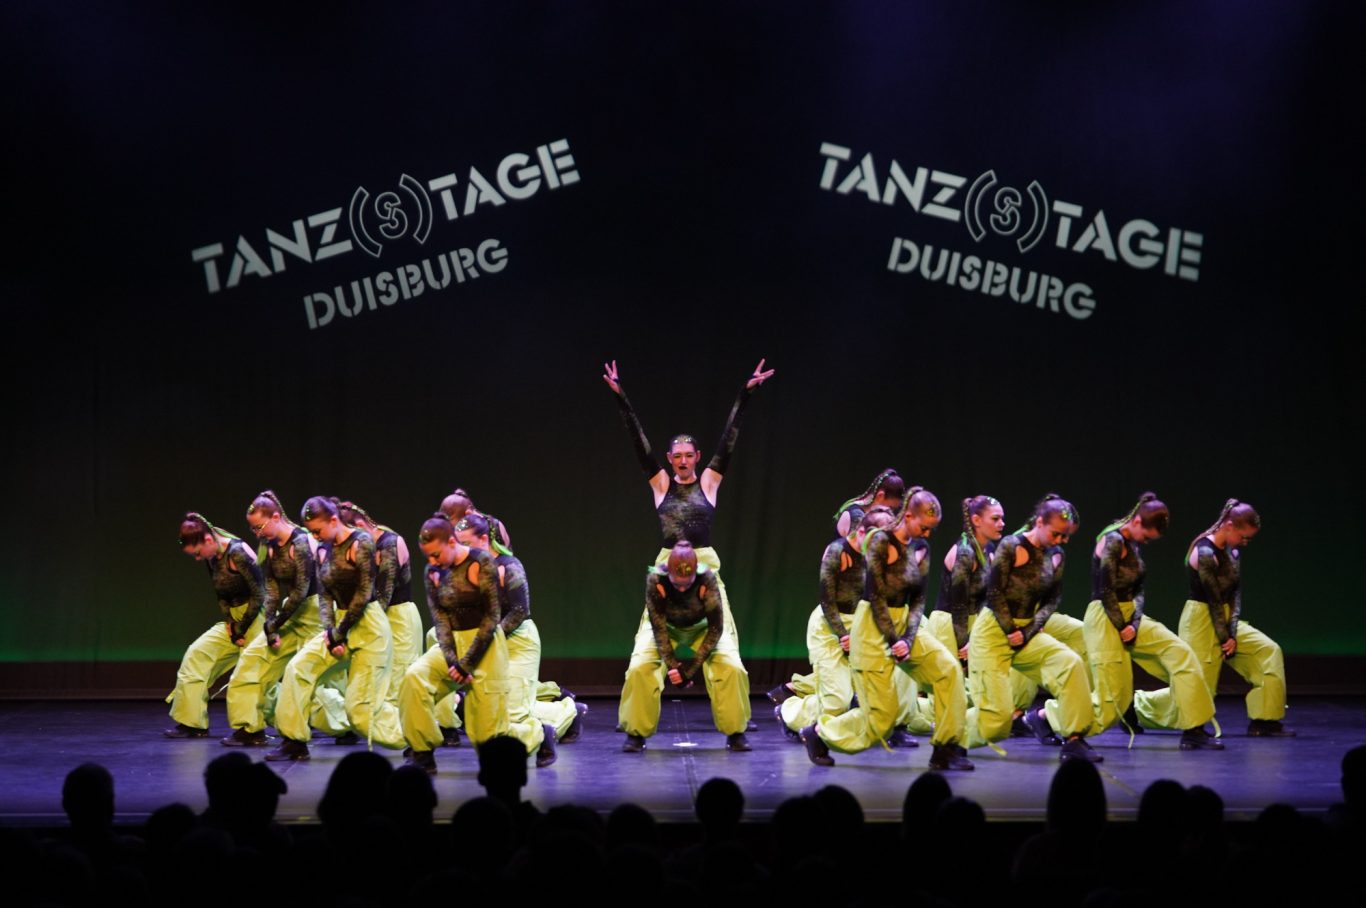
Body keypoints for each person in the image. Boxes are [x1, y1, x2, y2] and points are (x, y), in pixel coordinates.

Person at [603, 358, 773, 733]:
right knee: (644, 651)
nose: (682, 461)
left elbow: (729, 440)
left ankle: (738, 719)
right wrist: (621, 398)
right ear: (670, 460)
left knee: (728, 649)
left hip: (705, 570)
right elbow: (640, 446)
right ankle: (633, 724)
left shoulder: (709, 482)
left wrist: (745, 394)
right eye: (676, 456)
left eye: (688, 455)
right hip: (667, 570)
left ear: (697, 457)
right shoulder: (661, 485)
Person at [801, 488, 974, 770]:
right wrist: (895, 640)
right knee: (882, 718)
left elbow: (918, 598)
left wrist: (908, 636)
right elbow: (876, 596)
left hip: (904, 622)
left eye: (932, 529)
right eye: (924, 527)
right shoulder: (880, 541)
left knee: (948, 670)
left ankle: (946, 748)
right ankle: (820, 733)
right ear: (908, 516)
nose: (928, 534)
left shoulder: (921, 547)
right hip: (872, 625)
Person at [401, 515, 548, 773]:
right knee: (415, 678)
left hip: (487, 643)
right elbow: (440, 619)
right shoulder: (433, 571)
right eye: (427, 556)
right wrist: (452, 660)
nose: (432, 561)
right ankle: (422, 751)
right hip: (454, 643)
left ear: (451, 542)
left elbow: (492, 617)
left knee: (486, 736)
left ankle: (538, 733)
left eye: (436, 554)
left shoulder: (482, 562)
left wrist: (466, 663)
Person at [265, 497, 405, 761]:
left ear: (333, 520)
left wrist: (338, 633)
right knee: (298, 668)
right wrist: (331, 631)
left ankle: (416, 737)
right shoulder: (322, 548)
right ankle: (294, 741)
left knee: (360, 712)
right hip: (339, 623)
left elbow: (364, 594)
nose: (315, 536)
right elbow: (324, 595)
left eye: (318, 530)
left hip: (369, 626)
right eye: (312, 532)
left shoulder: (361, 542)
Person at [1080, 493, 1223, 749]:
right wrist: (1122, 625)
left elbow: (1139, 590)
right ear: (1136, 522)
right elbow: (1106, 590)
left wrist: (1133, 623)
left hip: (1129, 615)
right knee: (1112, 701)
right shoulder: (1112, 540)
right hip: (1105, 616)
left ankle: (1194, 730)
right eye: (1146, 537)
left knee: (1181, 654)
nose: (1145, 542)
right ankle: (1047, 718)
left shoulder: (1133, 543)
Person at [965, 495, 1101, 762]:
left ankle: (1074, 739)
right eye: (1056, 534)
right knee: (997, 720)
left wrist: (1026, 631)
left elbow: (1052, 600)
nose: (1061, 540)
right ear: (1039, 522)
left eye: (1065, 535)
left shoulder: (1056, 554)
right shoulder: (1012, 546)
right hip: (994, 631)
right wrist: (1010, 629)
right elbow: (994, 593)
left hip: (1026, 631)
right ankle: (949, 740)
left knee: (1069, 663)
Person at [778, 507, 924, 745]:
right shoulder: (838, 551)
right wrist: (843, 635)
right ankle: (790, 712)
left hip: (865, 623)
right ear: (862, 532)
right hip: (831, 626)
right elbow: (826, 600)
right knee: (837, 701)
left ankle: (898, 726)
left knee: (900, 670)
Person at [769, 469, 906, 707]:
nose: (889, 515)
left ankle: (790, 690)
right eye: (890, 507)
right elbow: (859, 562)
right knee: (844, 682)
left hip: (857, 605)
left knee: (862, 668)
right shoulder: (856, 518)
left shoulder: (870, 518)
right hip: (844, 599)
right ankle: (793, 698)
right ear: (880, 496)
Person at [223, 491, 345, 746]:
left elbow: (301, 591)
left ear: (276, 517)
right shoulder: (268, 545)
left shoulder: (301, 542)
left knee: (306, 679)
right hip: (289, 614)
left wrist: (274, 623)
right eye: (252, 528)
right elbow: (271, 589)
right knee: (252, 662)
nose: (256, 532)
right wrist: (270, 625)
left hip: (313, 612)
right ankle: (249, 728)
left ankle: (345, 726)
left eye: (259, 526)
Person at [456, 513, 583, 749]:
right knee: (495, 709)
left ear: (484, 539)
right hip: (490, 643)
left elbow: (519, 610)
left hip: (517, 642)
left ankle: (555, 723)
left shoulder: (509, 566)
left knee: (514, 713)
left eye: (466, 543)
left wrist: (490, 637)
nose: (461, 549)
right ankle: (562, 710)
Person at [619, 541, 751, 752]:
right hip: (666, 627)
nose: (681, 588)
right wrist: (674, 666)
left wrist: (688, 672)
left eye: (686, 584)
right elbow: (659, 630)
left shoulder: (707, 579)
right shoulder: (656, 580)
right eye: (677, 583)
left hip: (703, 628)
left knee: (731, 667)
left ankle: (735, 732)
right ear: (668, 572)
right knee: (640, 667)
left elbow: (716, 629)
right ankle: (635, 734)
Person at [1180, 499, 1291, 736]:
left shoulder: (1232, 551)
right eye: (1243, 536)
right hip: (1201, 619)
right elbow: (1213, 600)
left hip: (1225, 618)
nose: (1245, 542)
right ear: (1229, 526)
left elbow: (1234, 596)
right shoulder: (1204, 552)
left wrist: (1230, 632)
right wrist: (1225, 637)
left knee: (1267, 651)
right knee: (1198, 682)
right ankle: (1143, 708)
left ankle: (1264, 720)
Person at [168, 513, 265, 738]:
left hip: (257, 617)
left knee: (250, 673)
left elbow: (260, 595)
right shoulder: (212, 557)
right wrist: (230, 623)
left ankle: (252, 731)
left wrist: (241, 629)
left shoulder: (238, 552)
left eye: (198, 553)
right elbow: (220, 594)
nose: (198, 558)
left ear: (208, 540)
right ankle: (192, 723)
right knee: (197, 654)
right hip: (235, 619)